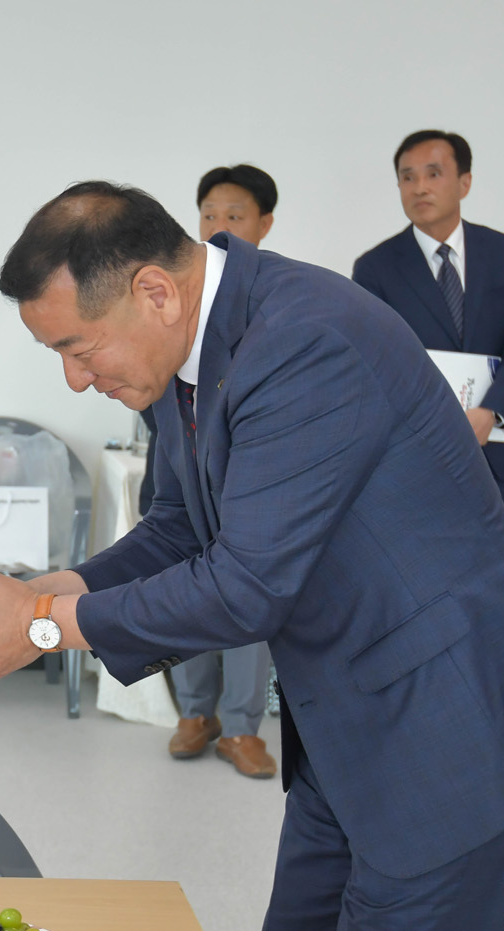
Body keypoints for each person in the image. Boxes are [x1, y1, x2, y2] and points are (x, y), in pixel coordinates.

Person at [0, 182, 504, 931]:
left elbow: (245, 587)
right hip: (347, 725)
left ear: (156, 292)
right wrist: (39, 591)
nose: (75, 379)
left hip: (449, 729)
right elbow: (180, 526)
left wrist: (39, 629)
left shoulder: (305, 341)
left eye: (78, 348)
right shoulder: (185, 353)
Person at [353, 130, 504, 537]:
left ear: (464, 182)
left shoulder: (502, 252)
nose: (419, 187)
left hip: (494, 445)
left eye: (433, 173)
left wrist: (491, 412)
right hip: (414, 453)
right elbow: (373, 364)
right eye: (407, 177)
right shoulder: (375, 268)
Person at [164, 165, 279, 777]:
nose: (218, 226)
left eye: (234, 216)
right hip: (185, 468)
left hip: (250, 477)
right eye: (209, 214)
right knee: (181, 587)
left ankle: (240, 727)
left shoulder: (273, 301)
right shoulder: (175, 297)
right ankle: (194, 713)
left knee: (245, 595)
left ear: (264, 224)